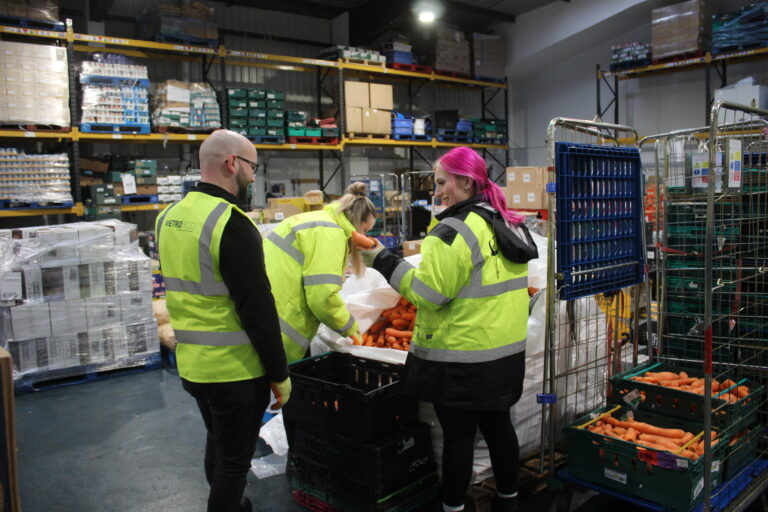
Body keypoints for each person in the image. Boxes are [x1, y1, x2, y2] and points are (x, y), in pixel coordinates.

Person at [361, 147, 538, 512]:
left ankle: (453, 509)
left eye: (441, 182)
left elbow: (429, 294)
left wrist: (383, 260)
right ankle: (509, 501)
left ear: (465, 182)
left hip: (460, 361)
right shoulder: (506, 222)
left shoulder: (452, 231)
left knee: (458, 437)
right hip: (504, 355)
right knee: (498, 428)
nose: (436, 191)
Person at [155, 129, 290, 512]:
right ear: (233, 163)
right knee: (234, 464)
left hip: (193, 366)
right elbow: (257, 310)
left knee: (217, 441)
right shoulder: (231, 222)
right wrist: (279, 373)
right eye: (253, 167)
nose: (253, 176)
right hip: (234, 371)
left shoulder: (169, 217)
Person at [263, 182, 377, 363]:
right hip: (280, 328)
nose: (366, 237)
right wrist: (350, 328)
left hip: (264, 317)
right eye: (365, 230)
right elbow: (323, 296)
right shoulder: (330, 233)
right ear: (355, 222)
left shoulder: (320, 221)